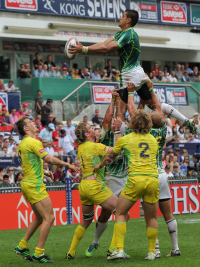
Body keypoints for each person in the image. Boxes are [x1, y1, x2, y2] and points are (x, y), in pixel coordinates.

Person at [69, 10, 196, 134]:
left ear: (128, 20)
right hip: (139, 74)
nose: (120, 17)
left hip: (129, 76)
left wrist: (84, 49)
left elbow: (106, 48)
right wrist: (83, 48)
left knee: (119, 117)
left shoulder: (129, 33)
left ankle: (120, 150)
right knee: (155, 106)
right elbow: (104, 43)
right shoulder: (120, 34)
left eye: (122, 16)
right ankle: (187, 120)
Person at [93, 110, 159, 261]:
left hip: (136, 179)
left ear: (133, 123)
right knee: (151, 218)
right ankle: (151, 252)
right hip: (152, 180)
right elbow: (152, 159)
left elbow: (111, 157)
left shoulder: (125, 139)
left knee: (121, 213)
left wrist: (100, 165)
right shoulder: (153, 140)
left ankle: (119, 250)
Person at [14, 117, 79, 263]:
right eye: (30, 122)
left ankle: (22, 245)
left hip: (27, 183)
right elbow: (48, 158)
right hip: (34, 185)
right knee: (49, 217)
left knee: (39, 218)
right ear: (26, 128)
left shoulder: (23, 144)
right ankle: (39, 253)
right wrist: (67, 165)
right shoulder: (33, 141)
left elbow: (29, 165)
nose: (33, 123)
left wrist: (44, 173)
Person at [66, 122, 117, 260]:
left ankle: (71, 252)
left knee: (86, 220)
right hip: (95, 185)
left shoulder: (81, 147)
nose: (94, 129)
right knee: (123, 213)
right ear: (87, 134)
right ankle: (113, 249)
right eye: (91, 128)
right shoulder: (95, 146)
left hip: (83, 186)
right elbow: (116, 150)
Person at [148, 112, 180, 257]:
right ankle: (175, 248)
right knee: (168, 214)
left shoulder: (143, 134)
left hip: (149, 175)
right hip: (162, 174)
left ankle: (156, 249)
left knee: (151, 217)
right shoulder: (162, 131)